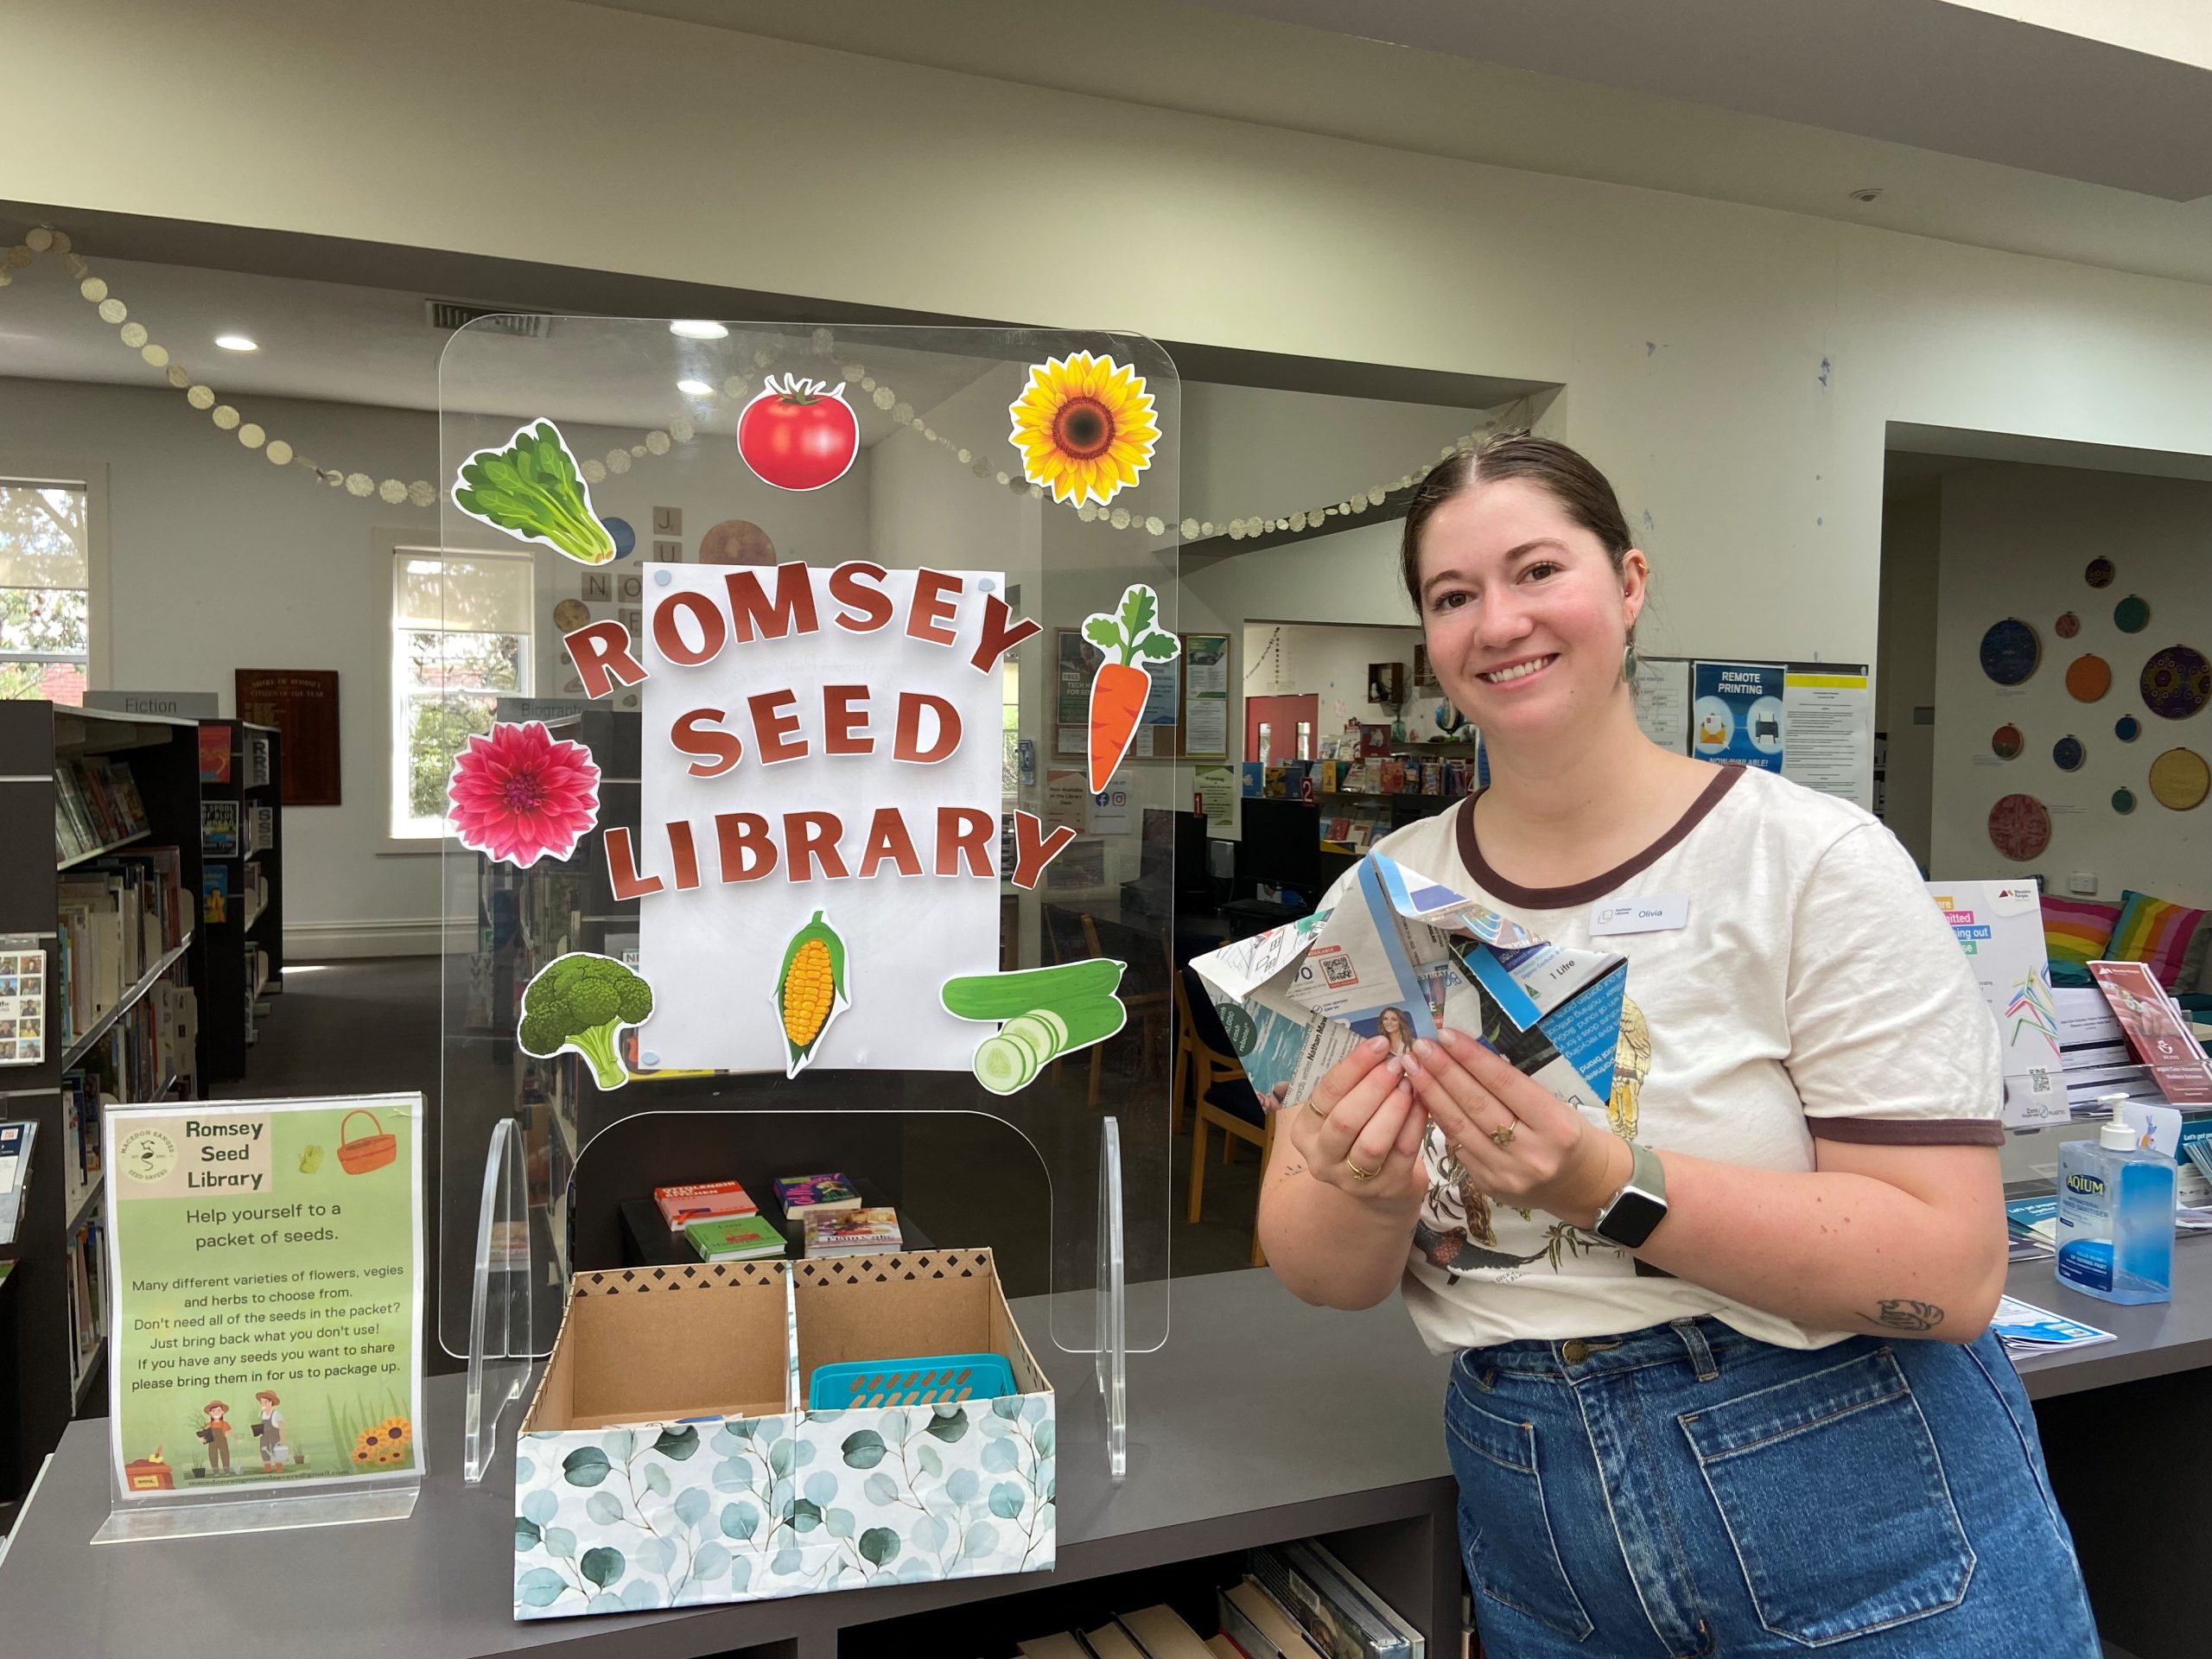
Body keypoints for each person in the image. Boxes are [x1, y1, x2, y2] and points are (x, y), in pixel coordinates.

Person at [1255, 435, 2097, 1656]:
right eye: (1453, 596)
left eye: (1538, 570)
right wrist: (1361, 1185)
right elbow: (1323, 1272)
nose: (1499, 622)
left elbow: (1953, 1270)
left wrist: (1605, 1185)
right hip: (1530, 1495)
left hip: (1846, 1473)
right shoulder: (1377, 899)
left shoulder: (1813, 861)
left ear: (1630, 583)